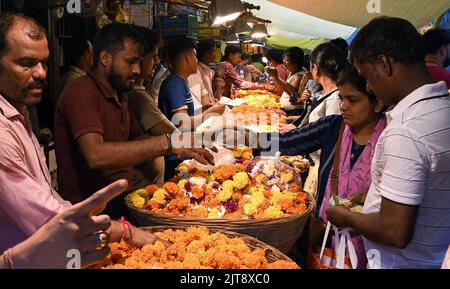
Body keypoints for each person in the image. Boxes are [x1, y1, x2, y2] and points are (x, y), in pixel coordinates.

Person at [0, 13, 166, 256]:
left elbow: (48, 197)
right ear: (104, 58)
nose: (42, 73)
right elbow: (51, 221)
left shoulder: (20, 112)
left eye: (44, 63)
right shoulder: (78, 95)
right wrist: (126, 232)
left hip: (83, 226)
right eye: (26, 63)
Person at [326, 16, 450, 269]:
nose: (370, 87)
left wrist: (346, 216)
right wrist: (373, 194)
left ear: (383, 64)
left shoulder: (406, 130)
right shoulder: (441, 110)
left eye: (367, 76)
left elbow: (394, 231)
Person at [54, 24, 214, 218]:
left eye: (138, 61)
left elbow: (138, 139)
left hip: (120, 203)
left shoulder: (120, 95)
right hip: (86, 214)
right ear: (105, 58)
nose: (137, 69)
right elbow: (96, 155)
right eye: (130, 62)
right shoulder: (81, 92)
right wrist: (168, 143)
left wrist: (189, 144)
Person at [263, 65, 386, 268]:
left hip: (372, 247)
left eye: (352, 100)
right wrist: (247, 139)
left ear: (378, 102)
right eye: (341, 99)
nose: (344, 106)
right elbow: (288, 141)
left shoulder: (391, 138)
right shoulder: (333, 127)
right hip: (326, 239)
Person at [0, 179, 149, 269]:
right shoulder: (5, 138)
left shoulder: (26, 131)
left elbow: (59, 209)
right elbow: (60, 228)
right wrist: (126, 230)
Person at [158, 37, 225, 180]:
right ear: (187, 57)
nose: (196, 59)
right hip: (176, 157)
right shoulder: (175, 84)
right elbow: (184, 122)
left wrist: (207, 109)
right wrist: (211, 113)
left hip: (185, 149)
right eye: (194, 55)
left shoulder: (181, 82)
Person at [126, 26, 175, 187]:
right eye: (153, 57)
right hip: (142, 188)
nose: (156, 62)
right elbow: (172, 134)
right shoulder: (137, 96)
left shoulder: (140, 91)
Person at [55, 36, 94, 106]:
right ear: (86, 54)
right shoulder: (78, 82)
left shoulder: (67, 76)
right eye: (92, 52)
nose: (93, 56)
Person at [268, 47, 306, 116]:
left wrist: (277, 76)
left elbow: (294, 96)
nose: (284, 63)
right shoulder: (293, 73)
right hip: (288, 110)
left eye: (287, 60)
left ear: (296, 63)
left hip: (293, 112)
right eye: (284, 59)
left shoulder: (299, 76)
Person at [195, 39, 216, 103]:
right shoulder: (197, 71)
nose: (214, 55)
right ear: (206, 53)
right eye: (213, 51)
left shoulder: (209, 70)